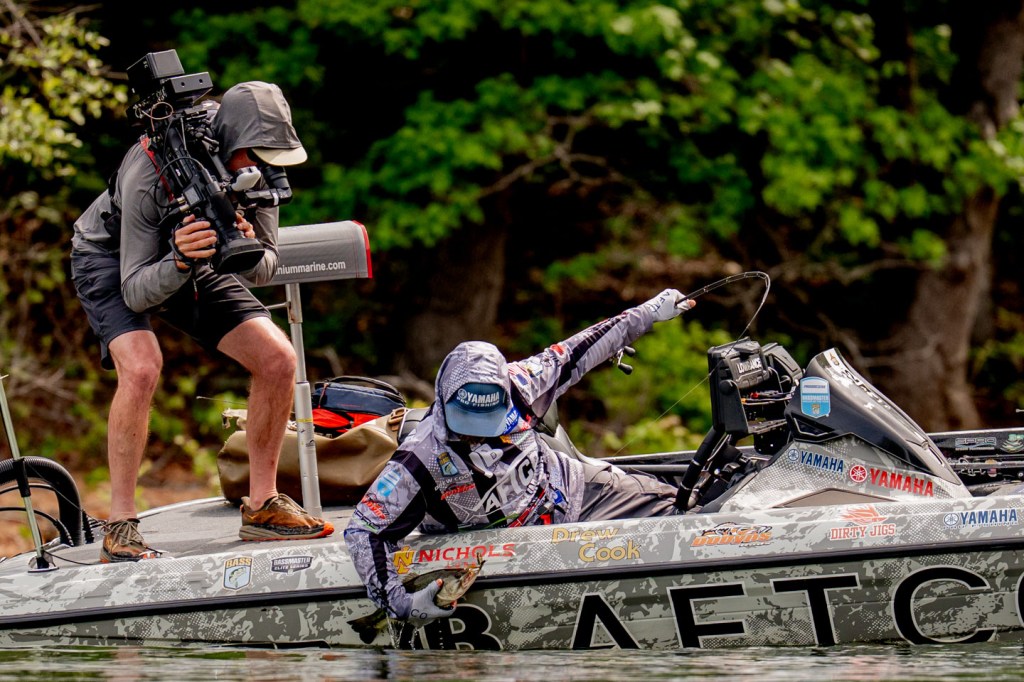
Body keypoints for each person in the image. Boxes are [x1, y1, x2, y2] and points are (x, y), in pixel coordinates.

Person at [71, 81, 332, 563]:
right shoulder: (150, 169)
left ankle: (262, 506)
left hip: (196, 255)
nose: (264, 166)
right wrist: (179, 260)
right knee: (142, 366)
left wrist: (246, 240)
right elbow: (135, 290)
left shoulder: (261, 171)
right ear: (232, 143)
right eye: (256, 156)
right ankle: (121, 524)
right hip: (113, 258)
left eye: (273, 157)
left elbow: (265, 268)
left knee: (277, 359)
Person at [344, 289, 695, 625]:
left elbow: (584, 347)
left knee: (682, 506)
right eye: (466, 421)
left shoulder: (522, 383)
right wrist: (401, 604)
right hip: (496, 545)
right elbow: (363, 530)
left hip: (571, 491)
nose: (475, 434)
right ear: (444, 397)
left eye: (486, 421)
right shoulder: (419, 458)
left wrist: (649, 312)